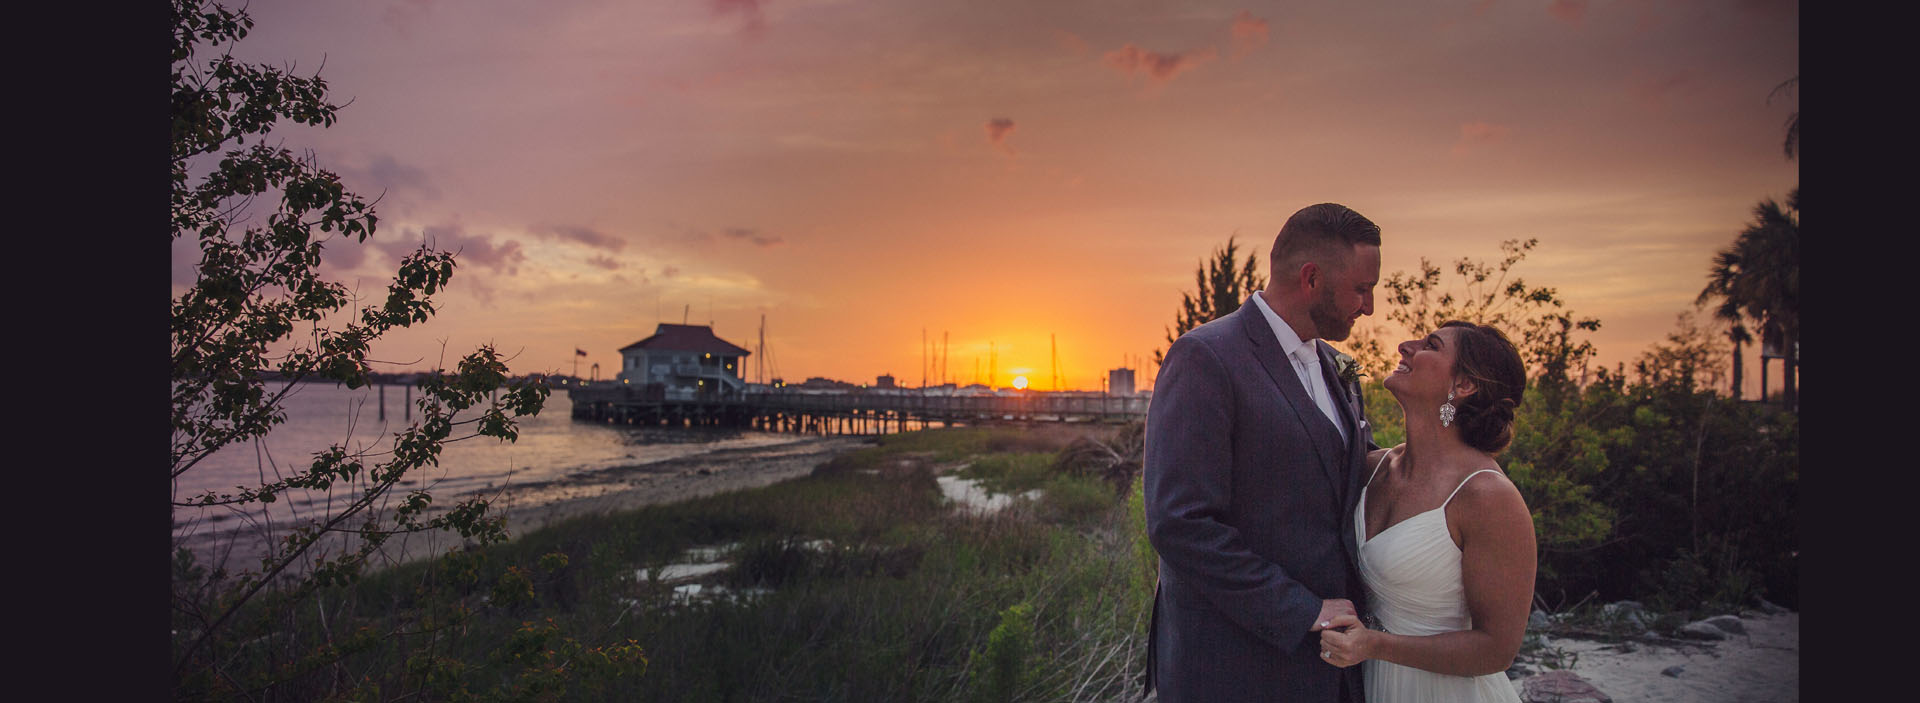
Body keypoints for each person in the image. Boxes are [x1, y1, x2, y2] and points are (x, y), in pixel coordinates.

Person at [1144, 203, 1382, 703]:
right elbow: (1180, 523)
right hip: (1235, 666)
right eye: (1362, 289)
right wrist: (1300, 610)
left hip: (1331, 671)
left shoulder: (1338, 365)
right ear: (1312, 278)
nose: (1370, 306)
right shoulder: (1206, 357)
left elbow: (1347, 482)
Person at [1316, 321, 1537, 702]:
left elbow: (1497, 649)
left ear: (1463, 386)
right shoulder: (1371, 469)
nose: (1405, 346)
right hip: (1372, 686)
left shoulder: (1487, 496)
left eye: (1430, 345)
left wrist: (1375, 646)